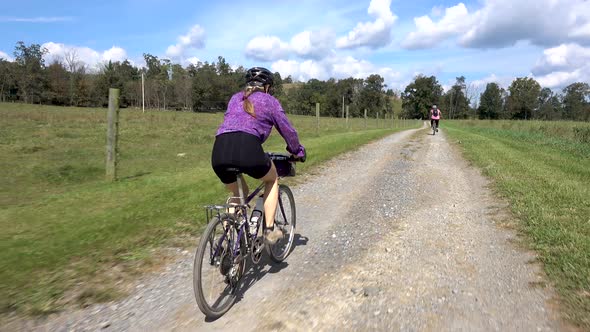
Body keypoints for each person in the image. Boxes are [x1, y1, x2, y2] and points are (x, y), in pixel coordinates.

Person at [211, 67, 306, 245]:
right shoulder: (269, 101)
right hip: (247, 148)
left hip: (219, 150)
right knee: (272, 179)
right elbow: (288, 131)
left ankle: (227, 239)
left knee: (240, 193)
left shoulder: (234, 98)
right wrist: (297, 151)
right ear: (267, 87)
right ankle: (269, 229)